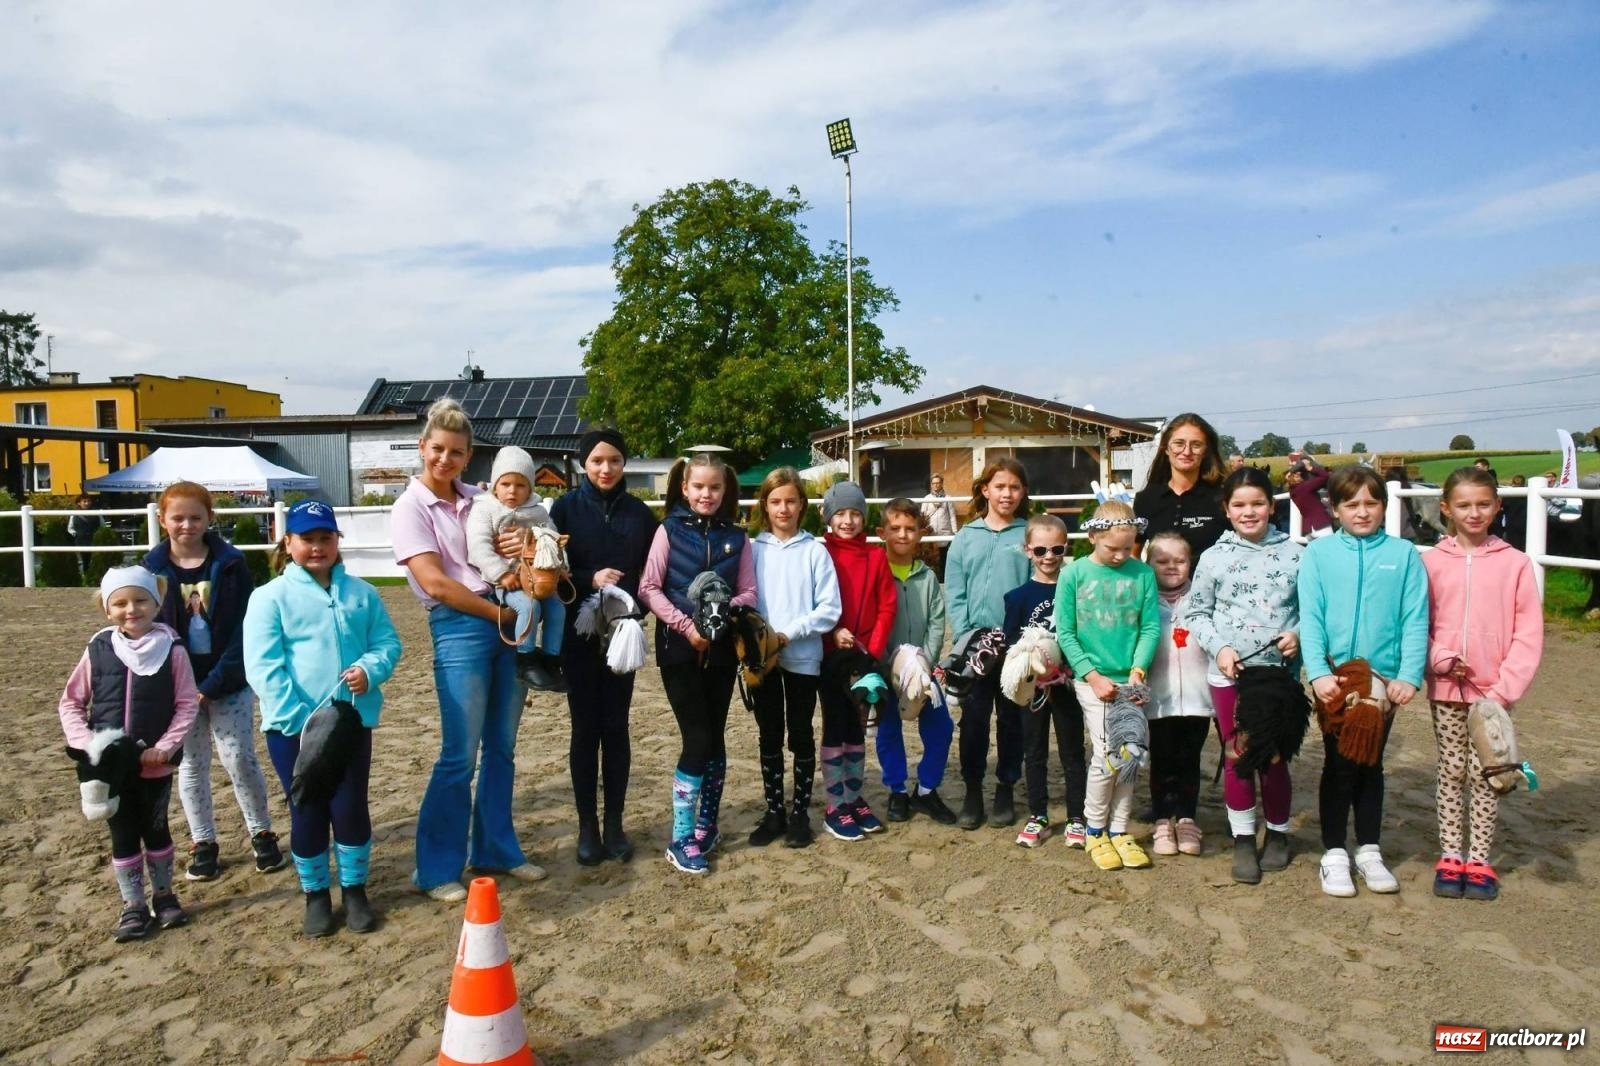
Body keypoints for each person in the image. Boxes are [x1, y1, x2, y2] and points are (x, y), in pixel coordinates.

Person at [392, 398, 543, 903]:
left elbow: (509, 544)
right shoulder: (410, 508)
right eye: (437, 449)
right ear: (423, 448)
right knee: (459, 753)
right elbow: (434, 583)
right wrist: (500, 616)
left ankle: (496, 848)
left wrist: (517, 548)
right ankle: (435, 868)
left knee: (501, 747)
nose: (445, 459)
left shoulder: (481, 498)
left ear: (468, 454)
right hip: (462, 623)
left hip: (503, 612)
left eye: (456, 452)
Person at [245, 500, 402, 936]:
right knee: (308, 808)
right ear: (288, 543)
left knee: (350, 806)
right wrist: (299, 721)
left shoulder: (362, 594)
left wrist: (370, 671)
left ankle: (354, 889)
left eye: (325, 538)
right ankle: (315, 893)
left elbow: (387, 643)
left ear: (337, 542)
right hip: (293, 729)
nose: (317, 547)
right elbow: (263, 665)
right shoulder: (269, 597)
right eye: (307, 539)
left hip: (351, 722)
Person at [1299, 466, 1429, 898]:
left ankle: (1369, 848)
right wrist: (1317, 672)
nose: (1362, 512)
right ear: (1335, 509)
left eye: (1371, 503)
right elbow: (1311, 616)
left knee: (1371, 762)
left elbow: (1415, 618)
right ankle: (1334, 851)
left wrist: (1408, 675)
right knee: (1339, 763)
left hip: (1385, 680)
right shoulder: (1318, 555)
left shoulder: (1405, 555)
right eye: (1351, 504)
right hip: (1336, 676)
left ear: (1384, 506)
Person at [143, 481, 282, 881]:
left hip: (229, 680)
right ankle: (202, 841)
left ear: (210, 519)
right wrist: (184, 686)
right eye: (178, 518)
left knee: (239, 756)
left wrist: (217, 681)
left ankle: (261, 831)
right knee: (191, 764)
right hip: (178, 686)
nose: (187, 525)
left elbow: (246, 627)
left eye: (195, 517)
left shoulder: (232, 565)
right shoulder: (151, 570)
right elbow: (148, 630)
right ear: (162, 520)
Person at [58, 566, 200, 942]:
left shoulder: (173, 649)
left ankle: (165, 896)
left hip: (155, 764)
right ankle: (133, 904)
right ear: (108, 610)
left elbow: (187, 704)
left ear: (156, 603)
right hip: (112, 769)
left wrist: (165, 746)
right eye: (119, 603)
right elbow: (71, 703)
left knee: (156, 829)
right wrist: (89, 745)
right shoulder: (98, 648)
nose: (131, 609)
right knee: (122, 835)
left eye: (140, 600)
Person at [1423, 467, 1543, 902]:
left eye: (1482, 505)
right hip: (1446, 692)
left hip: (1493, 696)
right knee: (1452, 771)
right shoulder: (1431, 562)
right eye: (1463, 505)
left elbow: (1528, 632)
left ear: (1496, 506)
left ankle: (1480, 859)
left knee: (1489, 773)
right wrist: (1439, 659)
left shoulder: (1515, 564)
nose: (1473, 513)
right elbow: (1422, 623)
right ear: (1446, 509)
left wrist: (1503, 688)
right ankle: (1450, 854)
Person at [1184, 467, 1303, 883]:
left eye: (1257, 504)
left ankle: (1278, 833)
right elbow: (1195, 612)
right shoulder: (1213, 558)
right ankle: (1242, 838)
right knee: (1238, 754)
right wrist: (1221, 648)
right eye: (1239, 505)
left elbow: (1314, 612)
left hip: (1277, 677)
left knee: (1272, 758)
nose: (1249, 512)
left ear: (1272, 506)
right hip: (1230, 675)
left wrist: (1298, 634)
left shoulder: (1297, 555)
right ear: (1227, 510)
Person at [638, 454, 756, 875]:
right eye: (699, 487)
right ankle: (681, 836)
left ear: (726, 491)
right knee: (698, 738)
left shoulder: (737, 538)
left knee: (716, 739)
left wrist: (721, 610)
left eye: (715, 488)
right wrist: (688, 625)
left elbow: (749, 592)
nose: (707, 494)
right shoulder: (668, 530)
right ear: (685, 488)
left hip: (722, 650)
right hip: (679, 649)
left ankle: (708, 823)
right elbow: (649, 588)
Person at [550, 428, 658, 866]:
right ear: (583, 464)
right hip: (579, 638)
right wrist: (587, 579)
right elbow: (551, 569)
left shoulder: (639, 514)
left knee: (616, 730)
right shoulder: (564, 510)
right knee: (584, 731)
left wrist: (631, 611)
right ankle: (586, 826)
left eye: (613, 460)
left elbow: (652, 574)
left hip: (622, 639)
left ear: (624, 463)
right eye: (596, 461)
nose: (605, 468)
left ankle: (614, 824)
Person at [1054, 500, 1160, 871]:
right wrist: (1092, 676)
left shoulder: (1143, 575)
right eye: (1111, 548)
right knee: (1106, 755)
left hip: (1130, 679)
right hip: (1093, 680)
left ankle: (1119, 829)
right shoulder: (1074, 575)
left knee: (1131, 753)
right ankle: (1095, 827)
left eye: (1127, 547)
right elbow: (1065, 632)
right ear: (1093, 536)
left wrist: (1138, 670)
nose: (1119, 555)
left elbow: (1149, 627)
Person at [746, 468, 841, 849]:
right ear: (765, 506)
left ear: (802, 505)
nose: (783, 508)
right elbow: (746, 599)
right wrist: (759, 638)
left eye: (790, 501)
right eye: (775, 502)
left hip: (802, 657)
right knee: (768, 732)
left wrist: (790, 633)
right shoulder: (753, 550)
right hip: (763, 660)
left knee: (800, 731)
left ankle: (800, 811)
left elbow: (829, 609)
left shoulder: (815, 551)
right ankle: (774, 811)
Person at [947, 457, 1032, 830]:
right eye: (1000, 486)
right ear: (985, 490)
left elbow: (1037, 585)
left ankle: (1006, 787)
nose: (1007, 494)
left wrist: (1024, 638)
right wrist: (967, 633)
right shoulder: (966, 537)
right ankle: (972, 789)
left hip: (1015, 644)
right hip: (976, 645)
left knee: (1012, 720)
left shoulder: (1029, 536)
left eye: (1014, 487)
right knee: (974, 720)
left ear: (1022, 492)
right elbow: (955, 589)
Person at [817, 481, 896, 841]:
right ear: (828, 517)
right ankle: (835, 804)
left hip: (865, 658)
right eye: (841, 514)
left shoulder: (876, 556)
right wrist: (833, 632)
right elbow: (815, 600)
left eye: (855, 514)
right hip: (832, 654)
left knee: (859, 726)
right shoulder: (820, 554)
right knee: (836, 726)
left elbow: (886, 605)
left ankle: (853, 795)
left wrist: (872, 652)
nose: (848, 521)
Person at [874, 496, 958, 826]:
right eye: (895, 528)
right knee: (888, 730)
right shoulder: (876, 572)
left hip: (922, 669)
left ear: (920, 533)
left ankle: (925, 790)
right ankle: (896, 789)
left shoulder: (926, 577)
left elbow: (938, 621)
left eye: (910, 529)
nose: (903, 535)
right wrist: (884, 663)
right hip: (884, 669)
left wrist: (925, 661)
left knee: (941, 727)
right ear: (882, 532)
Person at [1007, 514, 1087, 849]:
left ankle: (1077, 817)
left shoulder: (1077, 590)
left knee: (1072, 752)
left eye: (1056, 548)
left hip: (1068, 686)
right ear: (1028, 551)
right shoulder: (1017, 597)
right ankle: (1037, 814)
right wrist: (1032, 663)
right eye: (1040, 550)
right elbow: (1011, 642)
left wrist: (1066, 668)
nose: (1049, 556)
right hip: (1034, 688)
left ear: (1066, 547)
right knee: (1034, 751)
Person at [465, 446, 566, 691]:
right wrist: (501, 573)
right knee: (529, 607)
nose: (512, 491)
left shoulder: (539, 512)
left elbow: (554, 542)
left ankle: (552, 659)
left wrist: (561, 567)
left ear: (530, 487)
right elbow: (478, 546)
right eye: (506, 484)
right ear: (495, 485)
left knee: (557, 609)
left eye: (520, 485)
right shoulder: (485, 509)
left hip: (538, 577)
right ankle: (525, 659)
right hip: (508, 581)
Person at [1142, 531, 1213, 859]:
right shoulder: (1144, 601)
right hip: (1158, 698)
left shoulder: (1202, 598)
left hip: (1198, 699)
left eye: (1180, 560)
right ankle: (1161, 819)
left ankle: (1186, 818)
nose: (1172, 567)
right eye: (1163, 561)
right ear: (1149, 563)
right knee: (1162, 760)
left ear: (1191, 562)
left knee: (1189, 760)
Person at [1134, 413, 1228, 558]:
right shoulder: (1146, 499)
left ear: (1205, 451)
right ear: (1165, 448)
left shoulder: (1222, 498)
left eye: (1196, 445)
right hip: (1158, 581)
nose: (1187, 452)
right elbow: (1133, 555)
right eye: (1179, 443)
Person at [1285, 456, 1333, 538]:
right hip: (1321, 525)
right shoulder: (1305, 487)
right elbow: (1325, 476)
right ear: (1298, 474)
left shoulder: (1293, 491)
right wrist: (1310, 467)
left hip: (1309, 529)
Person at [69, 493, 103, 579]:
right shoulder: (74, 514)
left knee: (94, 559)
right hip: (81, 540)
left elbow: (103, 525)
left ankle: (94, 576)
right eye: (84, 501)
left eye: (88, 501)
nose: (87, 503)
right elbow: (70, 528)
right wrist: (75, 533)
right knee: (84, 559)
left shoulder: (96, 513)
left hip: (94, 540)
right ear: (79, 503)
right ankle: (86, 576)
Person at [1499, 474, 1528, 551]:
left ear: (1513, 482)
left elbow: (1502, 507)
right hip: (1524, 523)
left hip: (1511, 523)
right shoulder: (1528, 494)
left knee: (1513, 546)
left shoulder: (1508, 494)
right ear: (1524, 483)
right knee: (1523, 545)